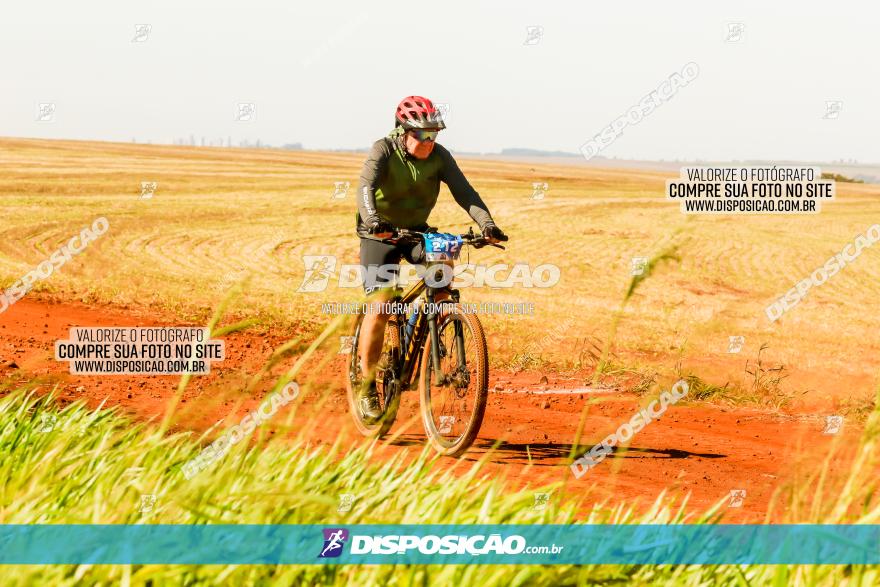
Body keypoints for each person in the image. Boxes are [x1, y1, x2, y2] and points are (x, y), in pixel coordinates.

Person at [355, 95, 507, 420]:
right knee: (381, 304)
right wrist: (373, 221)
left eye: (434, 134)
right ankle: (366, 387)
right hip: (378, 233)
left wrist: (487, 225)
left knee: (444, 267)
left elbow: (465, 192)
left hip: (416, 231)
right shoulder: (383, 149)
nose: (429, 141)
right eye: (423, 134)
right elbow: (365, 187)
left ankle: (429, 334)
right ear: (404, 130)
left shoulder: (440, 157)